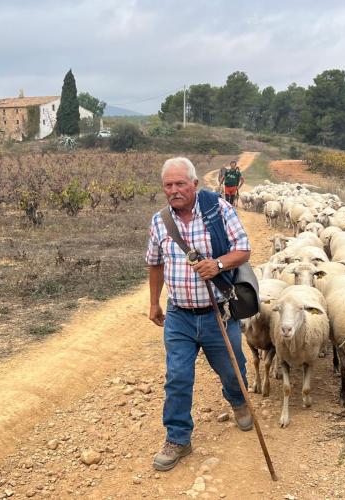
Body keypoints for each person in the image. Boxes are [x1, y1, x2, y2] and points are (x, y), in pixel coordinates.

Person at [146, 157, 253, 472]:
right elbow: (155, 263)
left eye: (180, 183)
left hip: (217, 313)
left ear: (194, 183)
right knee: (178, 376)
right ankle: (178, 437)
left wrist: (218, 264)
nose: (174, 190)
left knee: (232, 370)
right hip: (179, 315)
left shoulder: (220, 211)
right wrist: (154, 302)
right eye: (169, 185)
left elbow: (243, 250)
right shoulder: (160, 221)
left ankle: (238, 400)